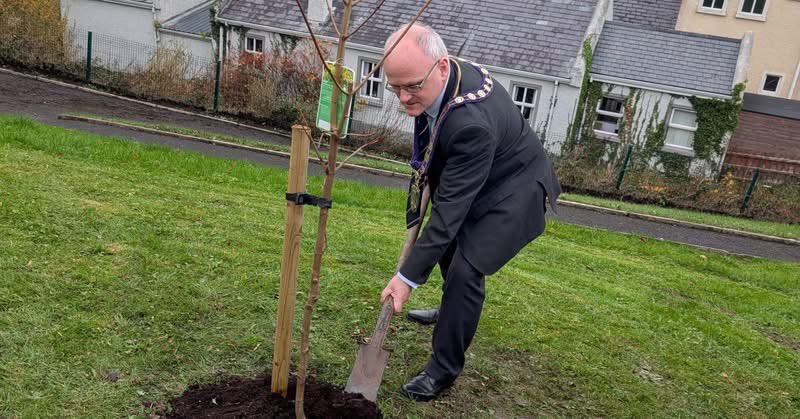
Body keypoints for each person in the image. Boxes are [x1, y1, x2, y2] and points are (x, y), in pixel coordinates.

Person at [379, 23, 561, 401]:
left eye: (412, 86)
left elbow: (446, 215)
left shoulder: (470, 123)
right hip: (483, 171)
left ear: (441, 67)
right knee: (446, 248)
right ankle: (450, 311)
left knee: (466, 270)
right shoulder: (443, 76)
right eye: (395, 86)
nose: (403, 98)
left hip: (518, 190)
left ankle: (442, 371)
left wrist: (406, 278)